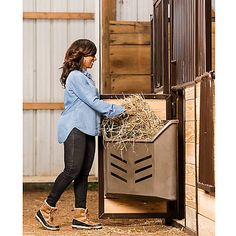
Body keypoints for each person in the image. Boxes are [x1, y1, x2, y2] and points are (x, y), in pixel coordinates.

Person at [35, 39, 125, 231]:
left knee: (83, 173)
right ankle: (45, 209)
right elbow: (93, 102)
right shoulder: (76, 76)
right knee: (72, 170)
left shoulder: (85, 77)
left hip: (88, 128)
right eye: (92, 54)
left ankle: (80, 216)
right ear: (81, 55)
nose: (94, 58)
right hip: (75, 127)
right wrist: (120, 110)